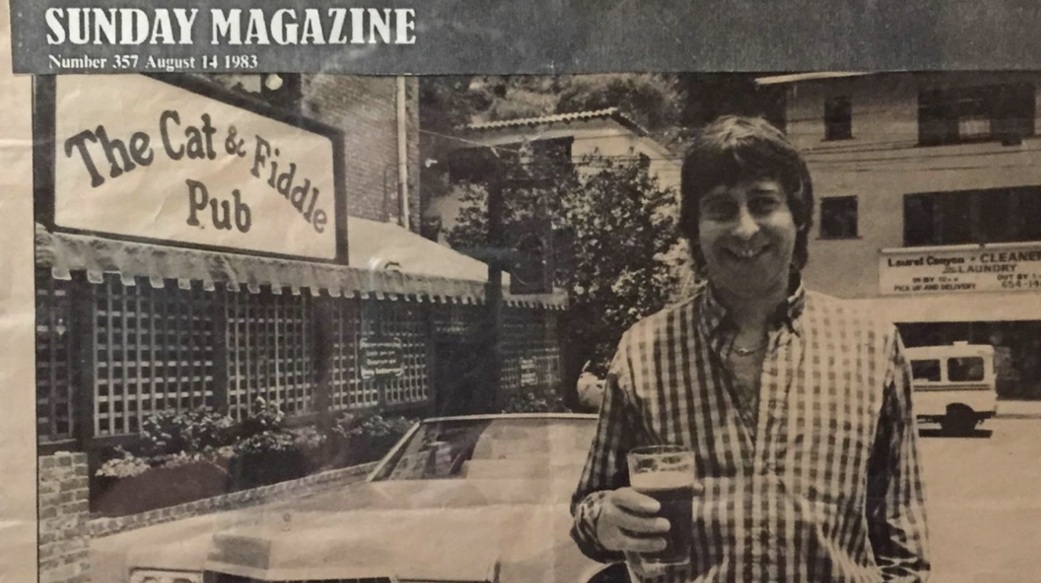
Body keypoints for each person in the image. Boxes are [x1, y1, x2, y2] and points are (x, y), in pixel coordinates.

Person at [571, 116, 929, 582]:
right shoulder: (643, 352)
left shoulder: (872, 344)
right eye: (720, 209)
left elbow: (903, 545)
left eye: (763, 203)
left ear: (799, 217)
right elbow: (590, 509)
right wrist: (604, 519)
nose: (744, 229)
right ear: (694, 227)